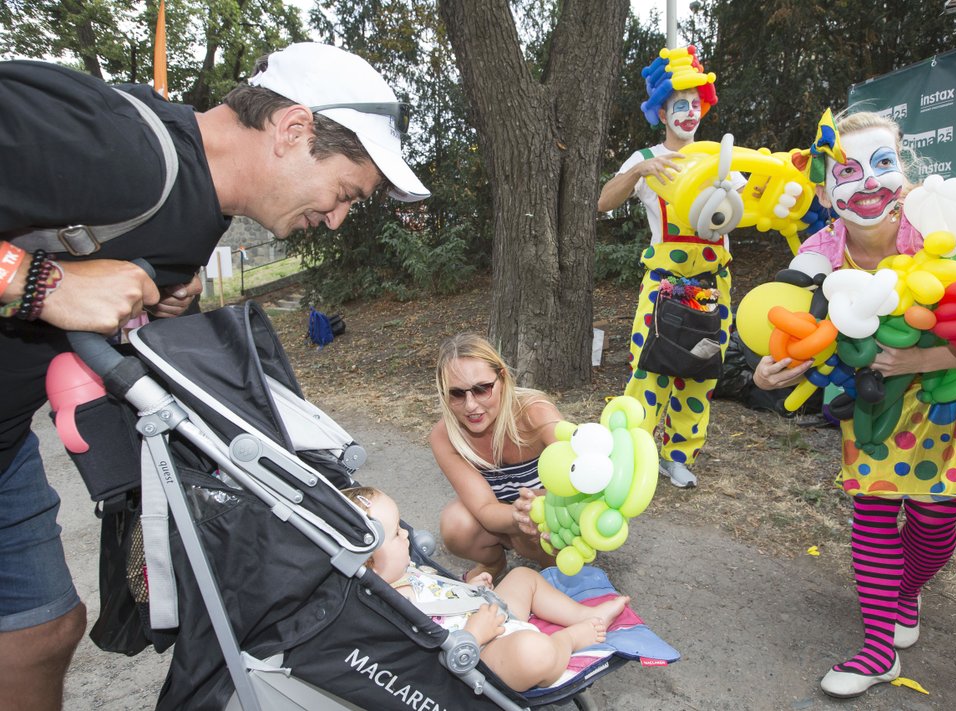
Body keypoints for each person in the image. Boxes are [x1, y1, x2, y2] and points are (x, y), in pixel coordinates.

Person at [0, 42, 428, 710]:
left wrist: (160, 299)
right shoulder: (117, 144)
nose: (337, 219)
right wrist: (34, 283)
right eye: (344, 193)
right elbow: (49, 283)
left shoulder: (199, 213)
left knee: (42, 632)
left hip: (5, 444)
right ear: (292, 130)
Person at [752, 110, 956, 699]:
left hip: (948, 399)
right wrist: (767, 366)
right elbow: (783, 308)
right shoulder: (823, 248)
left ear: (904, 168)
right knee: (874, 517)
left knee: (934, 527)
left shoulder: (947, 232)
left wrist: (922, 361)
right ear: (828, 189)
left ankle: (906, 590)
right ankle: (878, 648)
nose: (869, 182)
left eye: (883, 164)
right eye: (849, 171)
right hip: (869, 409)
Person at [597, 46, 744, 489]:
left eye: (696, 104)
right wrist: (640, 169)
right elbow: (604, 202)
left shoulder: (721, 158)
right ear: (662, 111)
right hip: (664, 281)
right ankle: (633, 453)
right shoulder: (646, 156)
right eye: (680, 105)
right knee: (650, 366)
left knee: (699, 371)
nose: (690, 112)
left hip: (712, 282)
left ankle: (677, 455)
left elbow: (750, 209)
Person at [342, 486, 629, 692]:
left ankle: (584, 615)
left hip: (488, 614)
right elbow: (418, 664)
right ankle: (569, 640)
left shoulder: (402, 572)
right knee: (534, 653)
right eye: (395, 534)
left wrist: (463, 589)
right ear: (371, 564)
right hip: (480, 657)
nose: (406, 533)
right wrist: (473, 635)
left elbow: (434, 600)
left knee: (522, 576)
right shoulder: (386, 607)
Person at [430, 333, 561, 582]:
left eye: (481, 389)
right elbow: (483, 508)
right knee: (455, 523)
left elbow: (580, 483)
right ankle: (494, 563)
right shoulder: (445, 436)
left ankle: (552, 572)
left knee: (546, 519)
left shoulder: (536, 413)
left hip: (551, 517)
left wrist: (540, 511)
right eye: (457, 394)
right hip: (503, 520)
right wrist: (519, 516)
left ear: (502, 378)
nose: (470, 405)